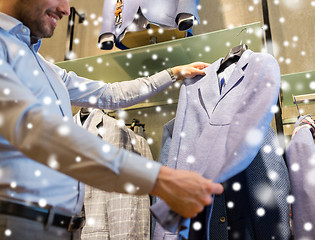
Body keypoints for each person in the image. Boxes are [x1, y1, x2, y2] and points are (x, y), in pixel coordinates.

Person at [0, 0, 223, 239]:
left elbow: (108, 94)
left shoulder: (44, 66)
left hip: (62, 229)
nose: (66, 9)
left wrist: (173, 73)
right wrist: (159, 179)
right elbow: (37, 130)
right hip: (19, 224)